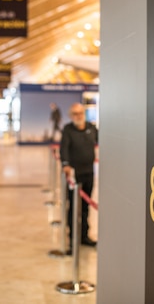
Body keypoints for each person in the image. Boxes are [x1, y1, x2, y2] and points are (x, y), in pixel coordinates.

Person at [60, 102, 98, 250]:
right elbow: (64, 149)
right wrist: (65, 164)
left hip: (89, 173)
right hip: (75, 176)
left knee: (86, 207)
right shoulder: (68, 130)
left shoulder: (92, 128)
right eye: (75, 114)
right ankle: (72, 241)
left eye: (80, 113)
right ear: (71, 116)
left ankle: (84, 236)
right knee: (74, 208)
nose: (78, 116)